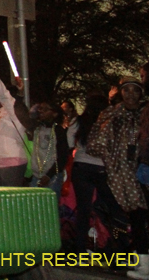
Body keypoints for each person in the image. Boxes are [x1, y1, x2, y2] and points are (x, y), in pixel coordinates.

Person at [90, 77, 149, 277]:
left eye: (135, 90)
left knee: (140, 216)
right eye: (127, 90)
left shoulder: (145, 114)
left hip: (142, 170)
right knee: (120, 218)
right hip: (118, 174)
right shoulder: (110, 114)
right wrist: (112, 154)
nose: (131, 94)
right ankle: (125, 258)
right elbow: (94, 143)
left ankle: (141, 258)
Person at [69, 91, 121, 253]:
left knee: (83, 211)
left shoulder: (79, 121)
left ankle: (79, 249)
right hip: (102, 167)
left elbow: (70, 140)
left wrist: (77, 150)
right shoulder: (109, 122)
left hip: (81, 166)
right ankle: (116, 248)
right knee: (111, 209)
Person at [0, 50, 29, 187]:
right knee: (0, 200)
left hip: (13, 162)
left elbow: (2, 93)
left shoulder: (12, 114)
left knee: (10, 200)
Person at [29, 101, 71, 195]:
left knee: (50, 208)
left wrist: (49, 175)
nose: (41, 111)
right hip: (37, 175)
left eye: (45, 109)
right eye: (40, 108)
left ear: (55, 114)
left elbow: (62, 156)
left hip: (52, 177)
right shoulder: (37, 129)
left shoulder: (58, 131)